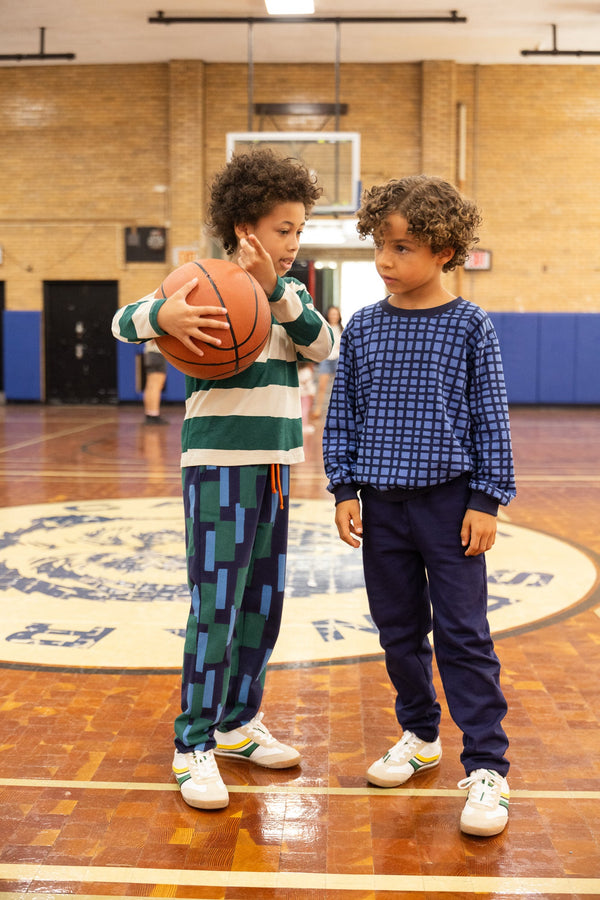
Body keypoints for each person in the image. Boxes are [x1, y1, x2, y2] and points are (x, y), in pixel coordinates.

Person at [112, 149, 333, 810]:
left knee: (264, 606)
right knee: (217, 607)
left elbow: (325, 346)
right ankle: (193, 742)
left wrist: (275, 295)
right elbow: (122, 322)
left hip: (275, 466)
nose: (293, 243)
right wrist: (161, 319)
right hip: (216, 468)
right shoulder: (199, 280)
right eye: (282, 229)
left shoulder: (290, 296)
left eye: (298, 231)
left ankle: (238, 723)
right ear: (245, 227)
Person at [322, 175, 516, 837]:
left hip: (450, 505)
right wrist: (344, 489)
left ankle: (487, 764)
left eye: (403, 248)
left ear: (445, 252)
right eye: (381, 245)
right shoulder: (366, 328)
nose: (385, 260)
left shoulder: (469, 324)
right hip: (382, 507)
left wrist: (487, 499)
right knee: (398, 631)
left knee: (463, 635)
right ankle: (419, 734)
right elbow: (341, 413)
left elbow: (492, 419)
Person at [310, 305, 343, 420]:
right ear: (328, 315)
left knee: (340, 387)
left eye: (335, 314)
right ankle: (318, 410)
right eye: (331, 313)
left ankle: (339, 411)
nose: (333, 316)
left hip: (338, 359)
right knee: (322, 386)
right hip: (326, 359)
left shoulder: (343, 329)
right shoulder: (325, 327)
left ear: (338, 316)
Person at [142, 339, 169, 425]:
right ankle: (154, 415)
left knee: (150, 385)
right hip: (157, 354)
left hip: (149, 354)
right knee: (156, 386)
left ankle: (149, 413)